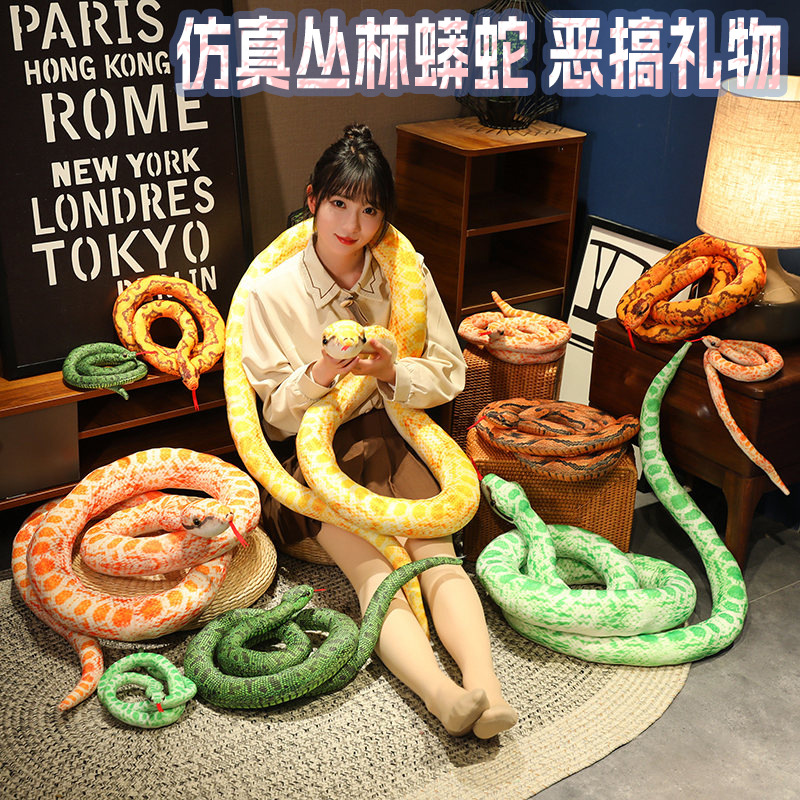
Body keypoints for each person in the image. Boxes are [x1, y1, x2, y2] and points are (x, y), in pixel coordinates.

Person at [242, 124, 518, 739]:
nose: (352, 224)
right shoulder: (269, 294)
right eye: (339, 203)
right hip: (311, 460)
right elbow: (276, 418)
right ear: (313, 200)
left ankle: (488, 689)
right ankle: (441, 697)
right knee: (373, 570)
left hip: (394, 436)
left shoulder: (405, 274)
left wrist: (392, 370)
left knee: (437, 558)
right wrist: (323, 371)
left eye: (370, 210)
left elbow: (448, 372)